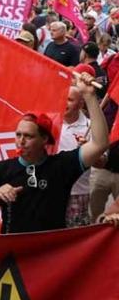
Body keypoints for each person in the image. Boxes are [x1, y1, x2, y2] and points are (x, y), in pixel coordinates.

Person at [0, 74, 109, 233]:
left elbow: (100, 144)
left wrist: (89, 95)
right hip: (12, 250)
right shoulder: (2, 169)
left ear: (44, 139)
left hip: (49, 251)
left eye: (29, 136)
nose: (21, 141)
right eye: (18, 135)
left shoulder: (61, 166)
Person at [56, 86, 92, 227]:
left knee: (74, 233)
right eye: (63, 98)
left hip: (78, 192)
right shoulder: (50, 122)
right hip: (52, 189)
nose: (64, 103)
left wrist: (89, 150)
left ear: (81, 104)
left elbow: (102, 162)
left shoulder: (90, 126)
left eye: (70, 100)